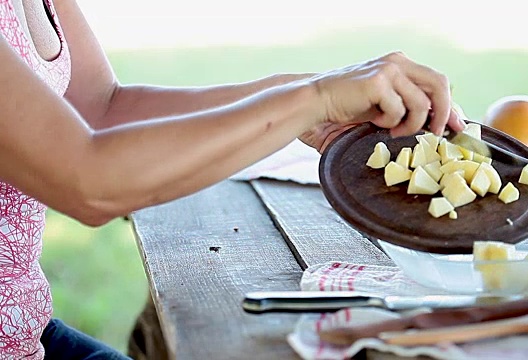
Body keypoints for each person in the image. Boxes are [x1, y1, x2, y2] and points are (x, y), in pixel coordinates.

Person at [0, 0, 464, 358]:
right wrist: (314, 99)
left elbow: (101, 110)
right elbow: (89, 181)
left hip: (27, 333)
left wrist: (312, 97)